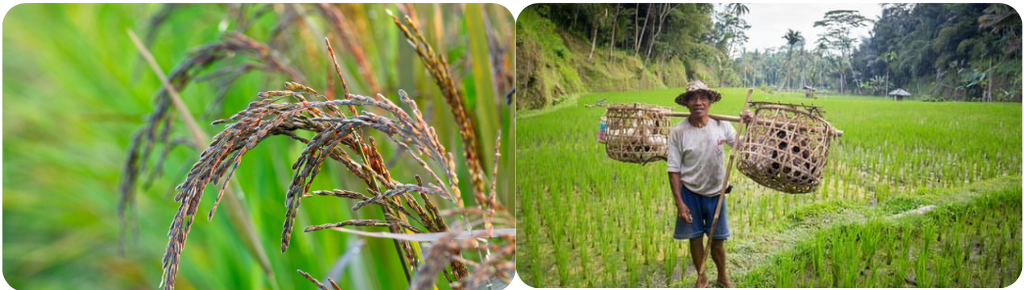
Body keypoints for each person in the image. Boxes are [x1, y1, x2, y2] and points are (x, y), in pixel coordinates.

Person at [666, 81, 752, 288]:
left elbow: (741, 145)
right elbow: (674, 169)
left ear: (710, 101)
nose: (698, 102)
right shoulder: (678, 132)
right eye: (693, 98)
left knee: (718, 241)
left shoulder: (721, 125)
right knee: (694, 239)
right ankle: (702, 276)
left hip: (717, 193)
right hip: (690, 193)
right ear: (686, 103)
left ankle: (722, 276)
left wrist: (750, 125)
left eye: (703, 97)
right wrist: (679, 203)